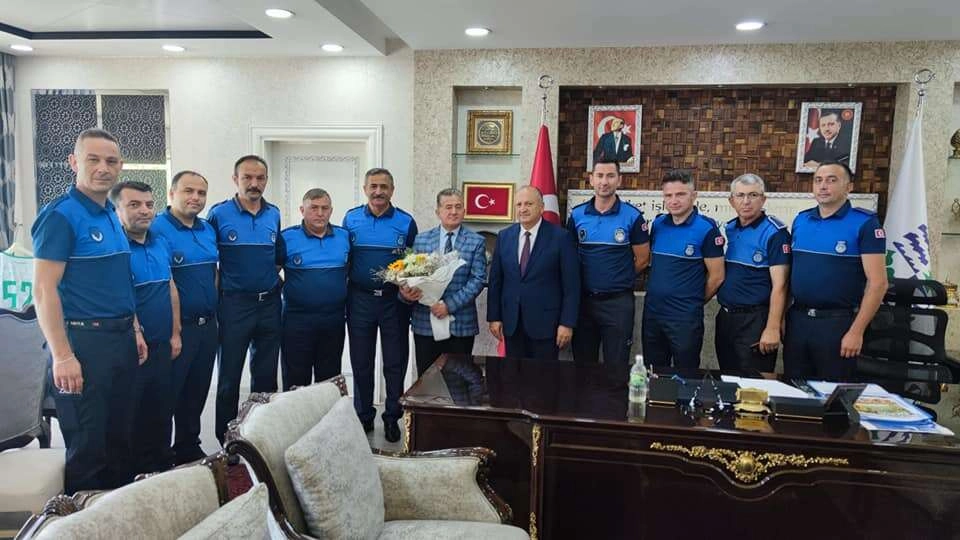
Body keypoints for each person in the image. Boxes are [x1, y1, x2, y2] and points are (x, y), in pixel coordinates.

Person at [31, 128, 147, 493]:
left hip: (121, 340)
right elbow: (43, 290)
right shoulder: (60, 216)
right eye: (92, 159)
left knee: (121, 440)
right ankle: (84, 519)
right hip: (83, 343)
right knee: (88, 448)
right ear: (74, 162)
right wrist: (63, 356)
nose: (102, 168)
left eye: (111, 161)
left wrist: (135, 329)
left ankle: (118, 515)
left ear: (120, 166)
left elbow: (119, 280)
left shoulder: (111, 214)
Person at [785, 162, 887, 380]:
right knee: (794, 389)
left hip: (838, 324)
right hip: (798, 321)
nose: (823, 186)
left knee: (833, 393)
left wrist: (856, 331)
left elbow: (878, 283)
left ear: (848, 187)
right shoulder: (801, 220)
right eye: (818, 180)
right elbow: (790, 276)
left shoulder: (864, 223)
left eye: (832, 180)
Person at [207, 155, 282, 444]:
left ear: (266, 181)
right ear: (235, 179)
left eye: (260, 178)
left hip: (269, 305)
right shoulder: (218, 214)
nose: (254, 183)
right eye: (247, 177)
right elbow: (209, 260)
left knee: (266, 379)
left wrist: (267, 281)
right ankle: (226, 440)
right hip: (234, 306)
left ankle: (260, 436)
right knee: (229, 378)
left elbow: (276, 258)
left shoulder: (273, 214)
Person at [343, 168, 417, 443]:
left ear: (392, 190)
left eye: (384, 186)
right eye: (373, 186)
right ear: (365, 189)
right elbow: (345, 258)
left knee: (395, 363)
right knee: (361, 362)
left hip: (393, 302)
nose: (378, 191)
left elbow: (413, 263)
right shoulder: (350, 219)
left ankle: (392, 418)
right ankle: (363, 416)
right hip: (359, 299)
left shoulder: (406, 222)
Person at [150, 170, 219, 465]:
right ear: (171, 193)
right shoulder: (157, 228)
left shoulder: (207, 229)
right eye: (188, 191)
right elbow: (162, 283)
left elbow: (214, 272)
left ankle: (188, 446)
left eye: (201, 193)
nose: (195, 198)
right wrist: (174, 330)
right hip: (177, 330)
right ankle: (160, 455)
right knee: (168, 394)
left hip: (207, 326)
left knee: (197, 392)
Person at [111, 181, 180, 474]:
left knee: (161, 410)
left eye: (149, 205)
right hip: (132, 348)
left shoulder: (160, 242)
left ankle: (162, 467)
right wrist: (137, 332)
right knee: (131, 415)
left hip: (163, 344)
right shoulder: (115, 248)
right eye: (134, 205)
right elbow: (121, 297)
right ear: (117, 210)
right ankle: (132, 476)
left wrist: (175, 333)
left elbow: (170, 288)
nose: (144, 211)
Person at [566, 160, 649, 368]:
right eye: (600, 175)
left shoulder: (633, 216)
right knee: (583, 366)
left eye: (610, 176)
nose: (604, 181)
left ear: (619, 180)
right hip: (583, 302)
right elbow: (569, 258)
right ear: (591, 179)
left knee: (617, 365)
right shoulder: (576, 215)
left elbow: (642, 259)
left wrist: (618, 278)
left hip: (618, 304)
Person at [400, 188, 487, 376]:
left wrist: (449, 305)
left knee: (459, 380)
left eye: (458, 207)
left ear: (464, 210)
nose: (453, 212)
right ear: (438, 211)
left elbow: (478, 279)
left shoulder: (476, 241)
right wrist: (406, 292)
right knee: (427, 379)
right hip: (426, 322)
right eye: (448, 207)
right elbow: (410, 275)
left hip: (460, 324)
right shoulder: (421, 240)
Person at [488, 186, 580, 362]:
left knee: (544, 376)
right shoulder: (504, 236)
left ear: (542, 207)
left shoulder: (561, 237)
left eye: (529, 204)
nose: (523, 209)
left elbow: (571, 286)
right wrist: (494, 317)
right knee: (514, 374)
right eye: (519, 204)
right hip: (512, 323)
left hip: (546, 325)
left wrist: (567, 323)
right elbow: (496, 281)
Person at [643, 170, 724, 369]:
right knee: (654, 372)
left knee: (686, 374)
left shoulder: (706, 229)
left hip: (684, 319)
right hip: (653, 315)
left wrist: (692, 302)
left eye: (680, 194)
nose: (674, 200)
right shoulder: (658, 224)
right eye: (668, 195)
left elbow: (717, 277)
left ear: (693, 195)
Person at [714, 174, 791, 372]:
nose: (746, 201)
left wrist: (772, 327)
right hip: (726, 318)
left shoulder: (775, 233)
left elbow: (781, 285)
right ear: (731, 201)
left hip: (755, 321)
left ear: (763, 199)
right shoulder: (731, 228)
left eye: (753, 195)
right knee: (728, 378)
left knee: (754, 383)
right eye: (740, 195)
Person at [279, 188, 350, 390]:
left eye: (325, 208)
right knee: (295, 382)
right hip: (297, 320)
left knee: (328, 383)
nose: (320, 213)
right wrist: (291, 290)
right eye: (314, 208)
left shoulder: (344, 237)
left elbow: (350, 270)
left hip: (333, 320)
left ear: (331, 210)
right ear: (302, 210)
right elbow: (270, 272)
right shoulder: (286, 238)